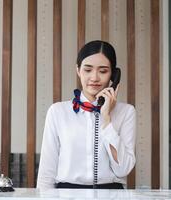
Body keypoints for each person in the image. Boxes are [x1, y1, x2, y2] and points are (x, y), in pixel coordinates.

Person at [37, 40, 136, 189]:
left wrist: (106, 118)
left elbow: (123, 169)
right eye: (88, 70)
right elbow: (47, 172)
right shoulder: (57, 112)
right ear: (78, 70)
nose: (94, 78)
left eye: (103, 71)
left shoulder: (126, 112)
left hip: (111, 194)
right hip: (66, 194)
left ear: (113, 75)